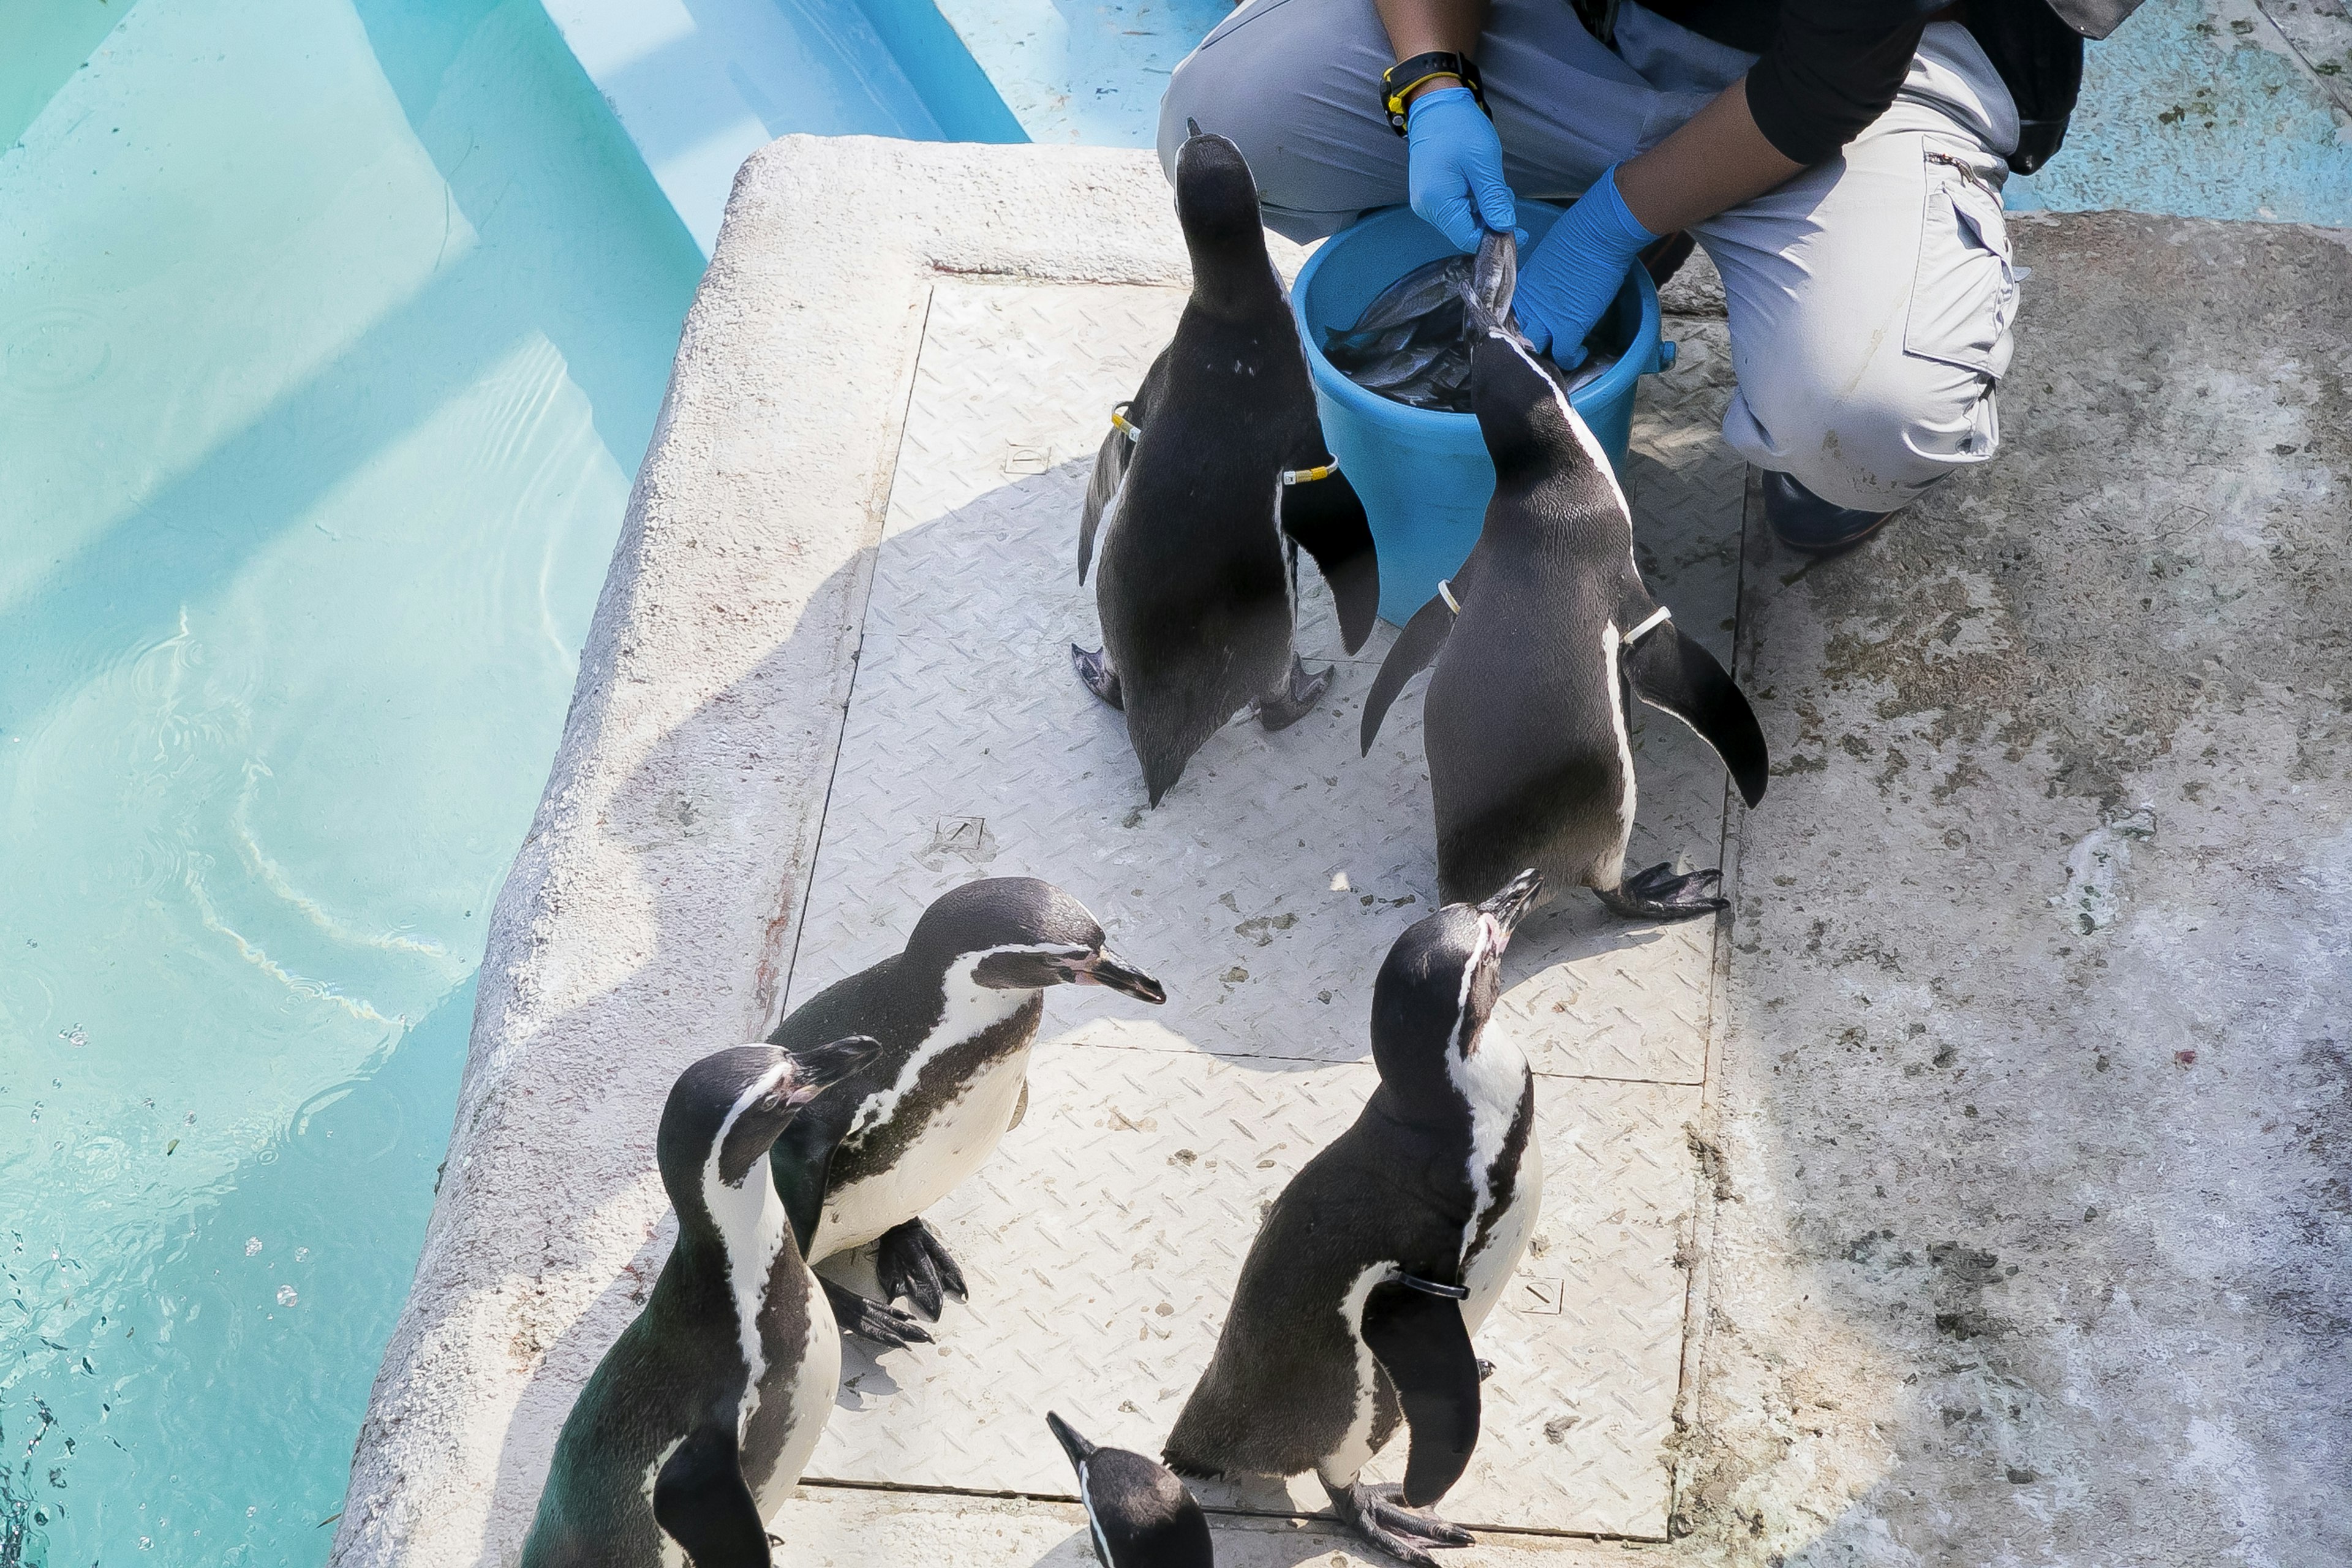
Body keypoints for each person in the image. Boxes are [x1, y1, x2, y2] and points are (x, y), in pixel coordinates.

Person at [1159, 0, 2136, 553]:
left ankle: (1675, 230)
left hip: (1889, 64)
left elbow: (1826, 83)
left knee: (1869, 418)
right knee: (1228, 128)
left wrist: (1607, 226)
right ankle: (1610, 194)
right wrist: (1432, 81)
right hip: (1587, 17)